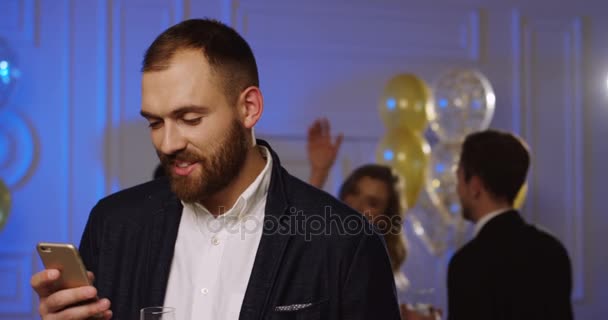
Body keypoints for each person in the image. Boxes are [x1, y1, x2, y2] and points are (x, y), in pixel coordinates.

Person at [30, 19, 400, 320]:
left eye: (189, 118)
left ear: (249, 108)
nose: (167, 143)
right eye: (154, 122)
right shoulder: (112, 224)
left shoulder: (346, 243)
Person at [307, 118, 441, 320]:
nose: (356, 206)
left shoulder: (391, 274)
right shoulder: (322, 250)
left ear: (386, 218)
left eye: (372, 202)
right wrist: (319, 172)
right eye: (353, 192)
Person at [448, 129, 573, 320]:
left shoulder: (468, 263)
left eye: (459, 178)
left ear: (475, 186)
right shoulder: (552, 250)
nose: (457, 190)